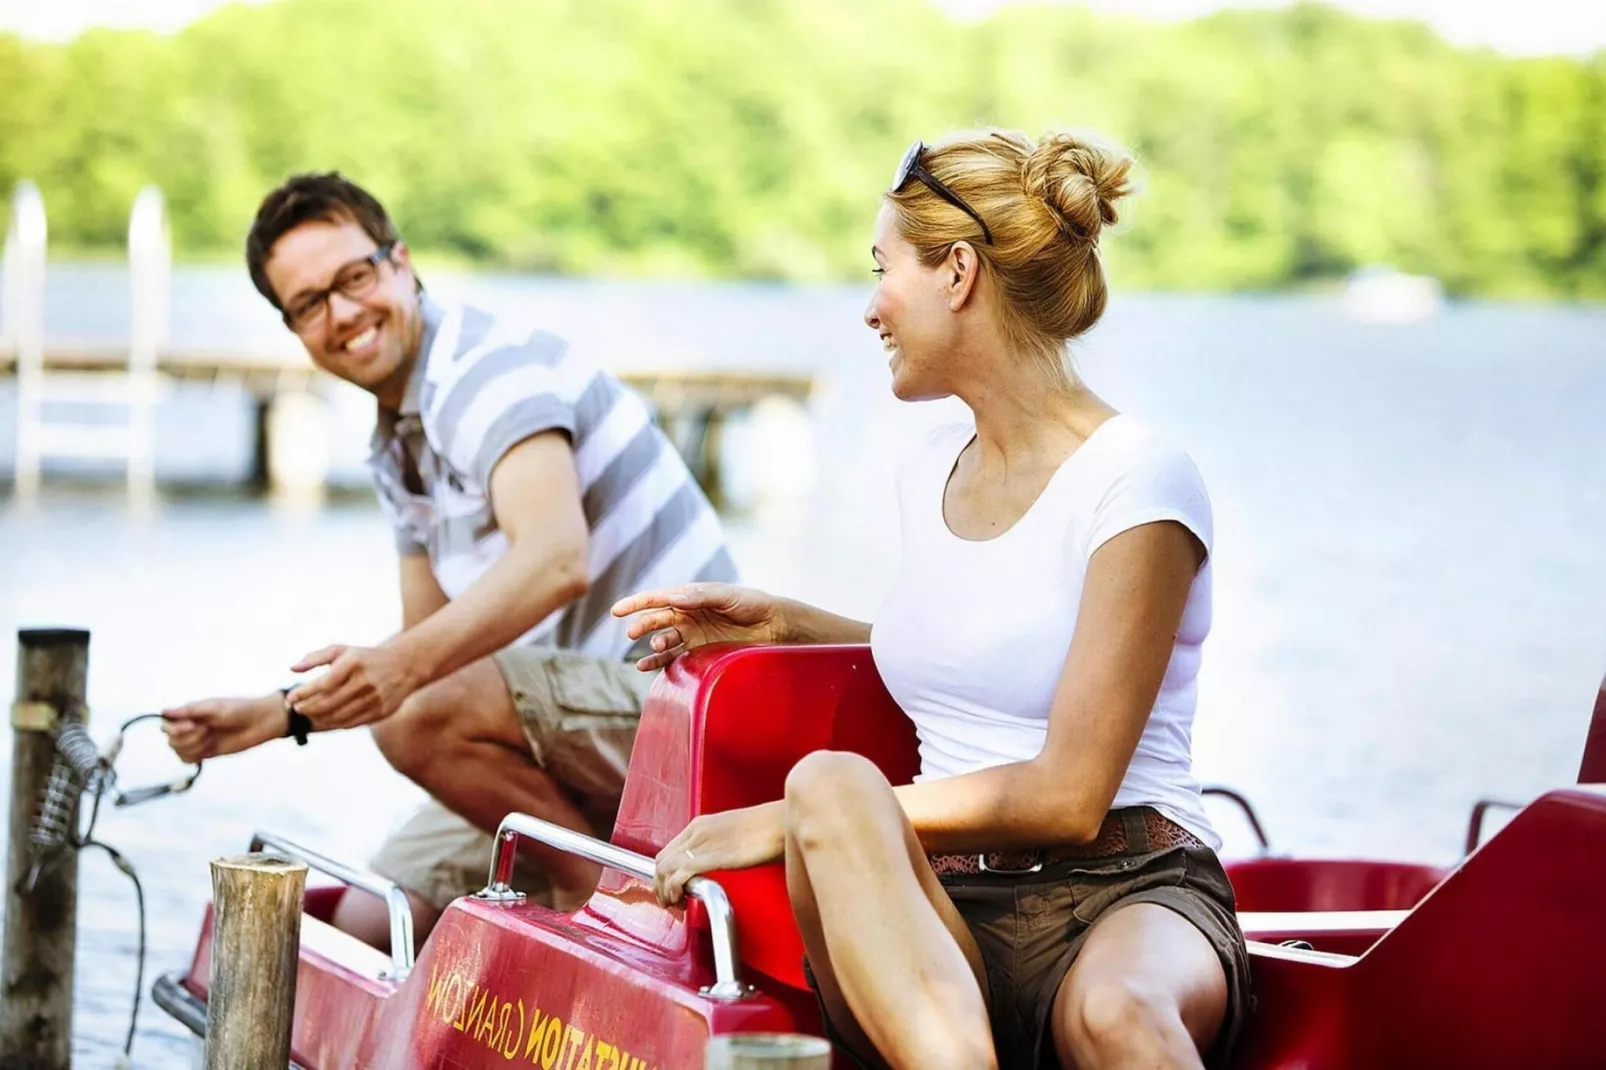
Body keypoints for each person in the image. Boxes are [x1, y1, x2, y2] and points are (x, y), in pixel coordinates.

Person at [612, 130, 1249, 1070]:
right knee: (831, 780)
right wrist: (787, 624)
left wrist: (783, 822)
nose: (871, 309)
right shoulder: (927, 472)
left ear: (958, 272)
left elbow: (1070, 795)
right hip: (941, 910)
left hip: (1131, 882)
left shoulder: (1138, 480)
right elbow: (987, 659)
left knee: (1113, 1013)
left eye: (883, 269)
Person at [162, 172, 736, 946]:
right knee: (366, 930)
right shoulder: (398, 445)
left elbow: (555, 557)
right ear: (294, 327)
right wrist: (278, 714)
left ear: (401, 262)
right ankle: (582, 871)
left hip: (686, 708)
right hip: (572, 732)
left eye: (355, 277)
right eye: (309, 303)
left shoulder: (482, 373)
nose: (343, 313)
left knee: (412, 709)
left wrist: (398, 677)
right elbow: (428, 650)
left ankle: (595, 893)